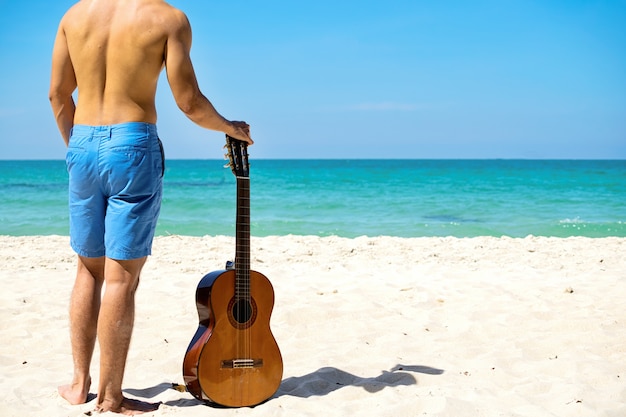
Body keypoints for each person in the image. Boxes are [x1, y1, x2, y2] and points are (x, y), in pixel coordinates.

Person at [48, 0, 253, 414]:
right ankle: (110, 397)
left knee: (88, 268)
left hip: (83, 140)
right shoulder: (167, 18)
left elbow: (57, 93)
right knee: (121, 277)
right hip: (132, 142)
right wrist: (231, 127)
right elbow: (189, 102)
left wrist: (79, 149)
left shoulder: (74, 15)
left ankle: (79, 383)